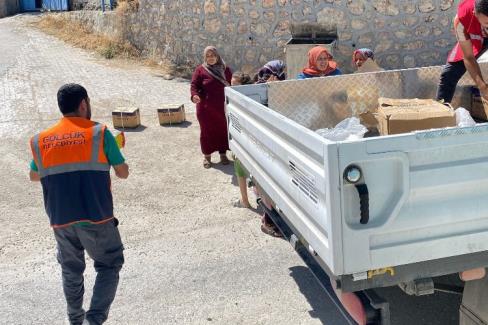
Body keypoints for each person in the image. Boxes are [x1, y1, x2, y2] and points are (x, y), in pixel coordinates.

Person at [29, 84, 128, 325]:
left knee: (71, 270)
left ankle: (75, 320)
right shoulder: (100, 133)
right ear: (83, 104)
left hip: (60, 218)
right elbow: (122, 173)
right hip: (96, 216)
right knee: (109, 264)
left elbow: (34, 175)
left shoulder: (40, 140)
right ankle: (93, 320)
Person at [253, 60, 287, 237]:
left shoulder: (285, 85)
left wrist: (278, 89)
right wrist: (270, 89)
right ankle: (267, 222)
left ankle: (278, 221)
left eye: (278, 72)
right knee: (267, 187)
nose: (275, 76)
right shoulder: (256, 89)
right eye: (271, 73)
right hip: (264, 145)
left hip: (279, 145)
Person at [437, 0, 488, 104]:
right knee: (449, 74)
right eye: (487, 23)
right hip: (474, 38)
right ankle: (441, 115)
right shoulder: (462, 21)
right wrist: (482, 87)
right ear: (475, 14)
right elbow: (468, 57)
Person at [191, 46, 233, 168]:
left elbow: (232, 84)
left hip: (221, 107)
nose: (210, 58)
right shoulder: (200, 70)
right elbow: (194, 85)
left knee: (222, 130)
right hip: (205, 108)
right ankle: (207, 156)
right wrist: (194, 95)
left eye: (212, 55)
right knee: (206, 132)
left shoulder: (226, 70)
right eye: (207, 56)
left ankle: (223, 154)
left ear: (217, 56)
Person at [230, 72, 253, 209]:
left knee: (242, 172)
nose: (231, 88)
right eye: (230, 84)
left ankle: (245, 200)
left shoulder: (239, 100)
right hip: (240, 140)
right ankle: (245, 200)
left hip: (242, 141)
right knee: (240, 171)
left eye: (235, 85)